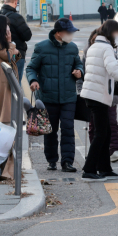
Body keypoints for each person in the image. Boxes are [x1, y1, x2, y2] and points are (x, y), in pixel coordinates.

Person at [80, 20, 118, 181]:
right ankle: (89, 169)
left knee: (105, 133)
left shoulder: (95, 46)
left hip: (93, 93)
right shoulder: (106, 48)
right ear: (111, 33)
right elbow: (113, 70)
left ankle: (105, 168)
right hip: (98, 94)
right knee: (101, 134)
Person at [27, 18, 84, 173]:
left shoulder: (72, 48)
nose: (71, 35)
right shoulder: (42, 47)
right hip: (48, 97)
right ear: (58, 33)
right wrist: (33, 80)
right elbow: (31, 67)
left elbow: (78, 64)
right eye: (68, 32)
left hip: (68, 97)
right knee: (50, 130)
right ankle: (52, 160)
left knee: (68, 129)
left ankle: (67, 162)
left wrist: (80, 71)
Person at [81, 30, 118, 163]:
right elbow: (84, 73)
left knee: (110, 123)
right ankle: (95, 158)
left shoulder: (110, 49)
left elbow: (116, 70)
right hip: (95, 95)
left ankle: (112, 152)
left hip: (109, 94)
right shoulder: (91, 51)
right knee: (96, 127)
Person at [0, 0, 32, 83]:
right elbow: (27, 36)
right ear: (16, 2)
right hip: (16, 54)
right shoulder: (16, 17)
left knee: (2, 83)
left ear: (5, 1)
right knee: (16, 84)